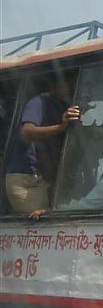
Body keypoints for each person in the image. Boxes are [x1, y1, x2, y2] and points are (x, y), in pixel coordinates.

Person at [5, 75, 79, 216]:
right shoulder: (39, 102)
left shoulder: (64, 107)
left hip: (44, 178)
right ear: (54, 87)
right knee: (39, 220)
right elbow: (27, 132)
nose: (70, 90)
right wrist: (60, 127)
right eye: (67, 86)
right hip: (26, 179)